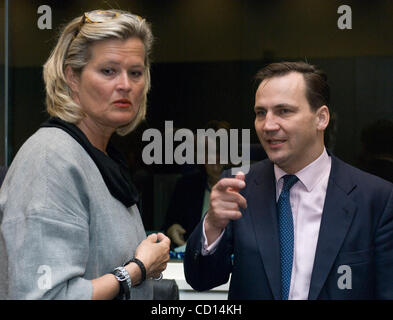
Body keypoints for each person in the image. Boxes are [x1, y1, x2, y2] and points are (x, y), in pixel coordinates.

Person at [184, 61, 393, 299]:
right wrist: (212, 225)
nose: (268, 125)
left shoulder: (376, 199)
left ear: (321, 118)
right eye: (261, 113)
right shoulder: (239, 186)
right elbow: (201, 279)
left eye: (284, 111)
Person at [0, 9, 170, 300]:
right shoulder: (50, 161)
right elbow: (46, 297)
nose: (125, 85)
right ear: (72, 78)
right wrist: (138, 268)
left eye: (135, 72)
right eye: (108, 71)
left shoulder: (98, 157)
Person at [164, 120, 229, 248]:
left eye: (220, 153)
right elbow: (169, 224)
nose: (215, 160)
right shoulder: (186, 186)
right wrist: (172, 229)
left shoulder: (245, 186)